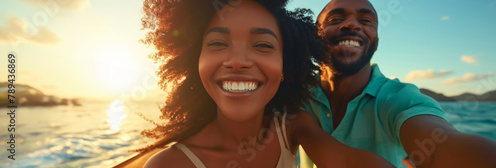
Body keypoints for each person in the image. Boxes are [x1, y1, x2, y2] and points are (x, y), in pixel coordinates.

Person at [135, 0, 394, 167]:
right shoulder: (168, 164)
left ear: (286, 64)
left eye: (262, 45)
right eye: (217, 43)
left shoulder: (290, 124)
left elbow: (346, 161)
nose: (238, 61)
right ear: (196, 61)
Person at [297, 0, 496, 167]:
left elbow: (441, 143)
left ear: (375, 43)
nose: (352, 24)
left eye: (366, 20)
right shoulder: (294, 95)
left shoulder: (401, 99)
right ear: (314, 36)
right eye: (336, 18)